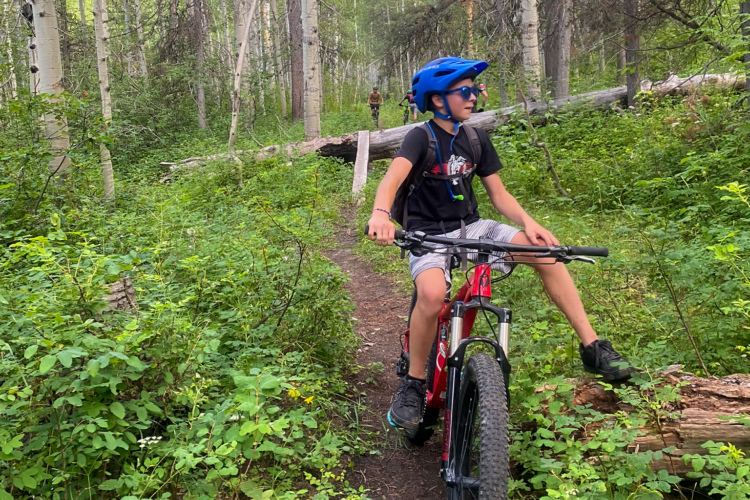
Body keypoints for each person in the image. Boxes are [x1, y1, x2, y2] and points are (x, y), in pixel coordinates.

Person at [366, 57, 635, 431]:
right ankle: (413, 383)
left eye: (476, 89)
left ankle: (593, 348)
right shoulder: (420, 137)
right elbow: (391, 180)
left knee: (546, 256)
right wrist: (381, 214)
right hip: (427, 233)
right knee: (430, 294)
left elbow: (499, 193)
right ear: (439, 100)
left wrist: (529, 223)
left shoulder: (476, 138)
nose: (474, 96)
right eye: (466, 90)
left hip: (472, 225)